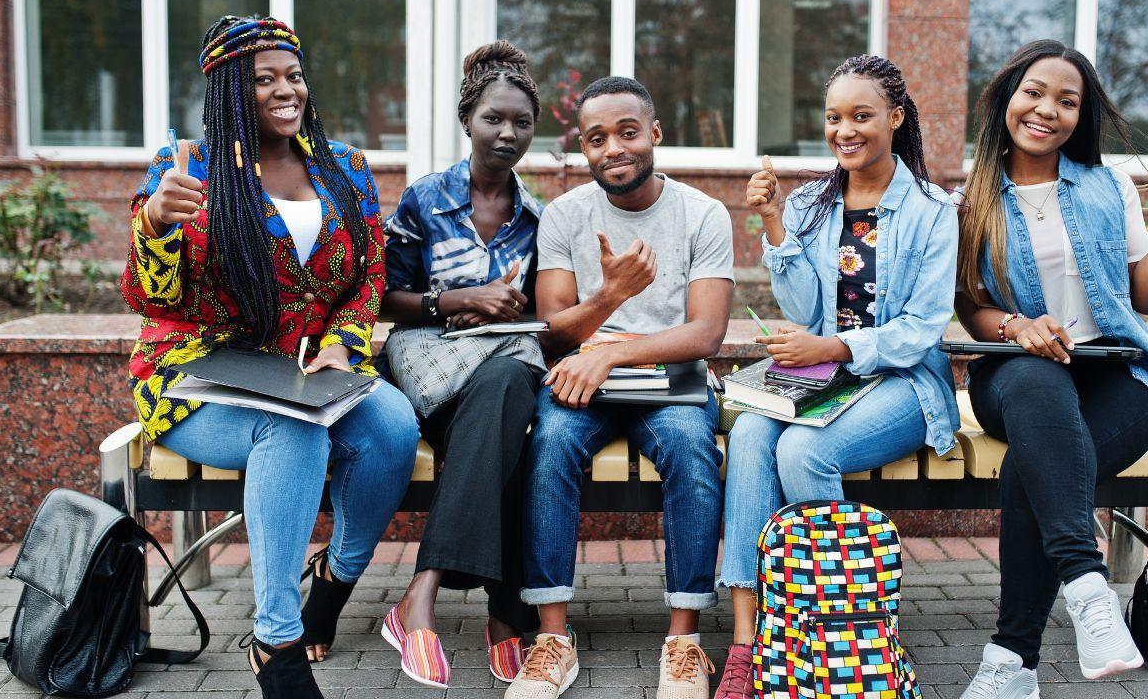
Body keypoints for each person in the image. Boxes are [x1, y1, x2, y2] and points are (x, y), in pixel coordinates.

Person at [120, 15, 419, 699]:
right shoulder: (184, 168)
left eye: (294, 75)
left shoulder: (345, 167)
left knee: (393, 425)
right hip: (197, 373)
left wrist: (346, 339)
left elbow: (369, 272)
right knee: (289, 428)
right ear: (230, 89)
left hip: (307, 368)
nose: (287, 91)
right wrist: (157, 224)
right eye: (264, 80)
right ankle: (275, 641)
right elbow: (152, 296)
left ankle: (336, 579)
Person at [953, 40, 1148, 699]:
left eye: (1068, 101)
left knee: (1030, 469)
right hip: (1015, 373)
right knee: (1039, 384)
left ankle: (1012, 666)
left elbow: (1144, 297)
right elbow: (970, 306)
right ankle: (1087, 583)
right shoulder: (973, 195)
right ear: (1007, 96)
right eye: (1035, 92)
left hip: (1111, 376)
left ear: (1082, 115)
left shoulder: (1105, 185)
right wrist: (1017, 327)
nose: (1048, 110)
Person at [713, 54, 961, 699]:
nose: (844, 130)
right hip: (821, 376)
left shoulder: (934, 210)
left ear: (895, 119)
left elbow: (922, 329)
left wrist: (837, 346)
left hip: (905, 384)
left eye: (861, 116)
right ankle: (748, 641)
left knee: (802, 451)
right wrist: (772, 224)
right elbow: (799, 309)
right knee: (747, 438)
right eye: (833, 117)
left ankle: (835, 627)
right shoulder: (810, 204)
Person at [503, 76, 734, 699]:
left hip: (669, 380)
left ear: (655, 134)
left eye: (628, 133)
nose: (614, 149)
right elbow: (554, 333)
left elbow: (707, 333)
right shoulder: (565, 215)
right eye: (597, 138)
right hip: (584, 378)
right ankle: (552, 639)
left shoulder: (702, 213)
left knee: (692, 451)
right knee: (549, 446)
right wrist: (610, 296)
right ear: (584, 147)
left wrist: (613, 356)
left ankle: (683, 641)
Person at [377, 40, 543, 688]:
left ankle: (424, 591)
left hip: (500, 368)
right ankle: (504, 612)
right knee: (504, 429)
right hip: (431, 370)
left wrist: (509, 309)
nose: (507, 133)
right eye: (494, 119)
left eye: (522, 123)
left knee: (503, 391)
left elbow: (552, 306)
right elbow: (385, 300)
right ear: (468, 120)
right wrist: (460, 299)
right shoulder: (424, 199)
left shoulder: (538, 218)